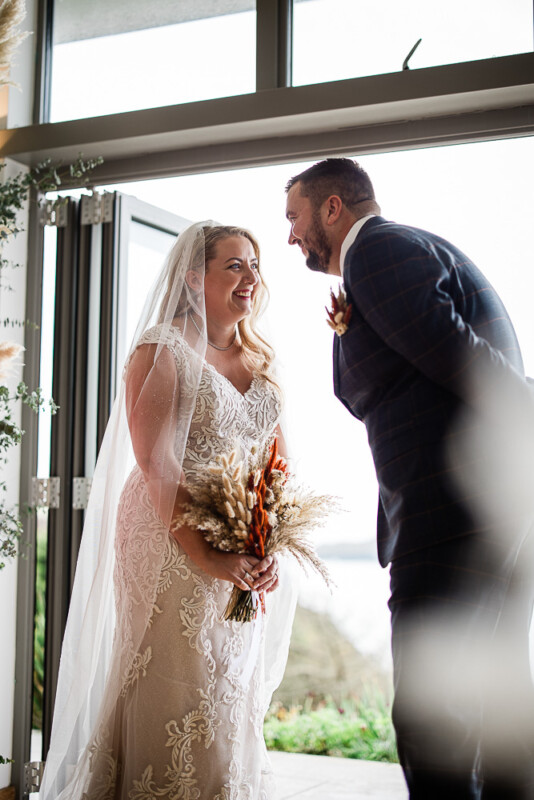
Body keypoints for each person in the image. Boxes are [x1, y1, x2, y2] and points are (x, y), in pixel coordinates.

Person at [285, 158, 534, 799]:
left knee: (432, 718)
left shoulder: (379, 251)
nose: (291, 236)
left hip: (446, 512)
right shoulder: (404, 252)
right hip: (483, 513)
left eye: (295, 217)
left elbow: (460, 357)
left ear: (333, 208)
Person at [40, 222, 296, 800]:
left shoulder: (260, 355)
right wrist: (207, 554)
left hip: (239, 531)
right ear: (192, 276)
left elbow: (276, 462)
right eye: (234, 265)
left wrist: (265, 540)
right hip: (166, 534)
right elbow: (157, 465)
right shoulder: (164, 349)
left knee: (228, 680)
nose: (251, 277)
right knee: (176, 681)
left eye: (254, 265)